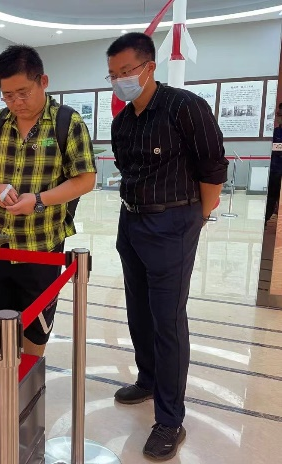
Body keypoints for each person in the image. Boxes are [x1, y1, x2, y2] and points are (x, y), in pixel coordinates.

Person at [106, 32, 228, 460]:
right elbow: (127, 169)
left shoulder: (184, 106)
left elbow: (213, 167)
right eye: (113, 74)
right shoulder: (123, 121)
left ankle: (170, 420)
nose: (120, 80)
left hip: (173, 222)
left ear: (149, 67)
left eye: (127, 71)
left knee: (168, 321)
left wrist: (198, 216)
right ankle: (148, 379)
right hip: (131, 221)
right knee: (138, 310)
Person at [0, 45, 96, 357]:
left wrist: (38, 200)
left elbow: (85, 179)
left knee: (35, 331)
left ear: (43, 81)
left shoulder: (67, 122)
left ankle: (31, 384)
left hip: (42, 247)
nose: (16, 103)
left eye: (23, 92)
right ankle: (2, 384)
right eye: (8, 95)